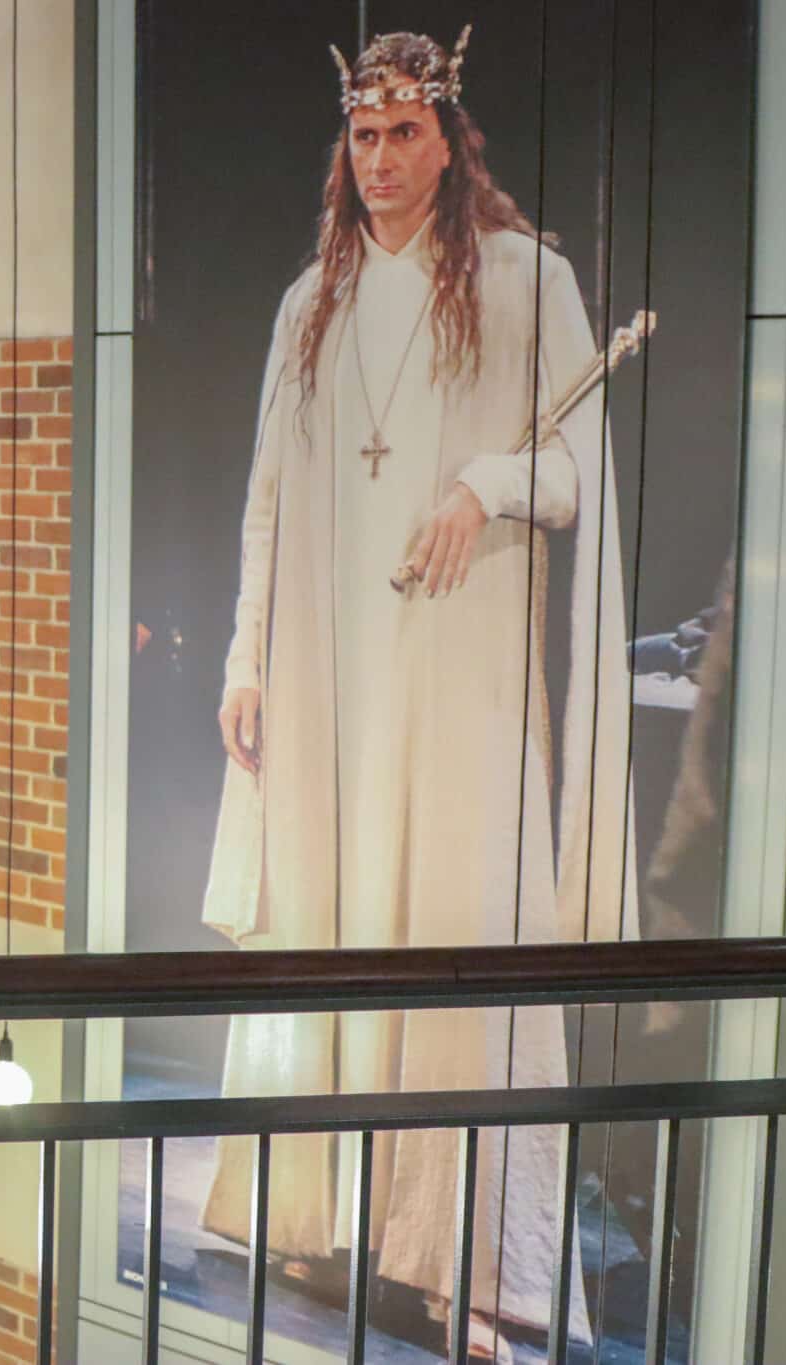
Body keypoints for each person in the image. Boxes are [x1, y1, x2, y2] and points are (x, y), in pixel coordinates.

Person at [197, 27, 636, 1355]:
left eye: (404, 130)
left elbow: (572, 479)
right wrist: (245, 654)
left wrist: (479, 484)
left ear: (450, 139)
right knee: (336, 936)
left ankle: (476, 1273)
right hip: (335, 682)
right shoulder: (307, 303)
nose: (380, 156)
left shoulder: (528, 279)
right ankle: (318, 1216)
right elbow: (269, 497)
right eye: (363, 133)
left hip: (460, 677)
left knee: (462, 944)